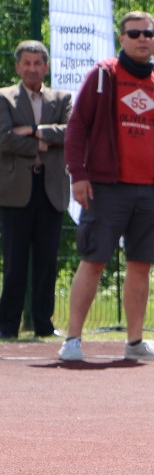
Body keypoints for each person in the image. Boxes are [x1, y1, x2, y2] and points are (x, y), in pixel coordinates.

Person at [59, 12, 154, 362]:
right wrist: (78, 174)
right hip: (106, 188)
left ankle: (135, 341)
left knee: (141, 264)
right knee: (94, 260)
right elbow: (76, 126)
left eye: (148, 33)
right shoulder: (103, 75)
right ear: (122, 38)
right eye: (134, 33)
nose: (142, 39)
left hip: (149, 192)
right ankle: (72, 340)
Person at [0, 41, 72, 339]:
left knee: (47, 260)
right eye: (26, 63)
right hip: (15, 190)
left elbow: (71, 133)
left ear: (46, 66)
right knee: (14, 262)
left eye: (37, 63)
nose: (32, 68)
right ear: (17, 66)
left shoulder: (62, 98)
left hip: (51, 189)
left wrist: (32, 131)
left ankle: (43, 323)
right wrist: (42, 144)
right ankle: (7, 325)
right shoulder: (4, 97)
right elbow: (3, 138)